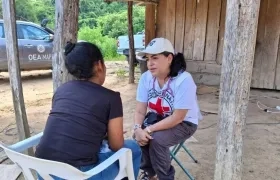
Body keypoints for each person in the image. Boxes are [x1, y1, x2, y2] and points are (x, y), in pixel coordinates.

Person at [35, 41, 141, 180]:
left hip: (43, 172)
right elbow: (116, 146)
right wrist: (113, 136)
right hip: (80, 175)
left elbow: (68, 124)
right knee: (133, 148)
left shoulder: (62, 90)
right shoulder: (111, 98)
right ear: (98, 65)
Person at [133, 38, 202, 180]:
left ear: (169, 58)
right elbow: (140, 110)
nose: (150, 63)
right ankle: (150, 174)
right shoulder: (146, 78)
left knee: (157, 140)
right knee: (139, 137)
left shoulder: (184, 80)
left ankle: (165, 177)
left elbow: (178, 117)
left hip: (185, 123)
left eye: (155, 58)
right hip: (158, 118)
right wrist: (137, 128)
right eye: (148, 59)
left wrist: (149, 129)